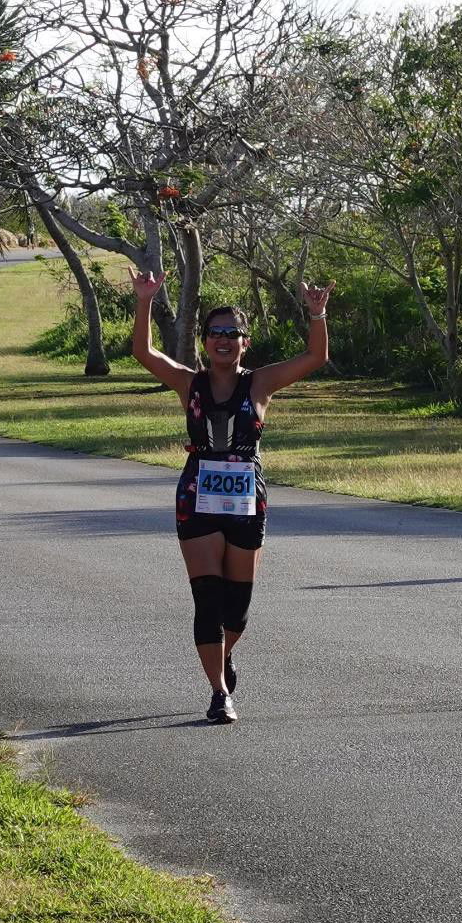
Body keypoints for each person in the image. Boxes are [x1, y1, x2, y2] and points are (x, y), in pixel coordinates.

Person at [129, 269, 333, 724]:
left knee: (237, 609)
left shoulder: (259, 384)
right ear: (204, 342)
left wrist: (316, 314)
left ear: (245, 342)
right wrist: (145, 301)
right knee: (208, 598)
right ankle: (219, 694)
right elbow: (143, 352)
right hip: (197, 495)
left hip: (246, 499)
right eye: (215, 332)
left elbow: (316, 357)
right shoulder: (189, 383)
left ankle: (221, 655)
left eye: (232, 333)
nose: (224, 339)